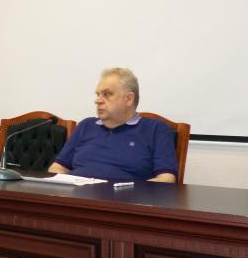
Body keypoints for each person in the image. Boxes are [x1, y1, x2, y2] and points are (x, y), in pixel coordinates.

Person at [48, 68, 178, 183]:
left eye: (107, 94)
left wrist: (133, 193)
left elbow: (166, 179)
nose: (97, 100)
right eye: (98, 94)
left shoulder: (156, 130)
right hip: (76, 198)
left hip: (124, 200)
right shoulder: (85, 126)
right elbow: (57, 167)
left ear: (129, 99)